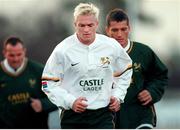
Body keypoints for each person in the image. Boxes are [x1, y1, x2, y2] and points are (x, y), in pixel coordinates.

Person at [41, 3, 132, 129]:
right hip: (73, 115)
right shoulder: (62, 50)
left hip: (103, 115)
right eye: (81, 25)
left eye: (90, 25)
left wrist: (118, 96)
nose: (86, 29)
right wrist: (70, 101)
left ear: (97, 24)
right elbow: (48, 83)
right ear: (75, 25)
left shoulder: (111, 45)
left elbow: (126, 70)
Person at [105, 8, 168, 129]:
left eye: (123, 29)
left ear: (129, 28)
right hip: (110, 119)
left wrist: (152, 92)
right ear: (107, 30)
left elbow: (161, 76)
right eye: (115, 30)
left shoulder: (143, 52)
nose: (119, 34)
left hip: (141, 117)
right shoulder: (98, 55)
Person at [0, 36, 57, 128]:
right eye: (11, 55)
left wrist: (43, 104)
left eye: (19, 54)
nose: (16, 59)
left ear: (24, 52)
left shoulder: (40, 71)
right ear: (4, 53)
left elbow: (60, 95)